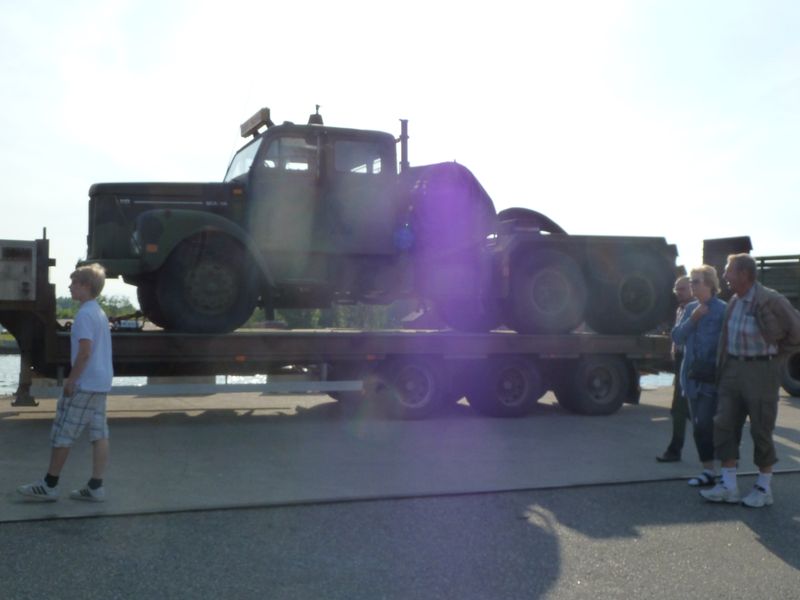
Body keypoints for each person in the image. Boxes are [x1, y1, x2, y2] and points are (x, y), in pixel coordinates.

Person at [701, 253, 800, 507]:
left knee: (761, 429)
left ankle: (763, 488)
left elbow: (796, 332)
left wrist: (776, 359)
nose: (725, 275)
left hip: (761, 371)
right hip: (733, 369)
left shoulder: (771, 300)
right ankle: (729, 486)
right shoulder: (734, 301)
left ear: (744, 274)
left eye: (728, 270)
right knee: (724, 425)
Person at [17, 264, 114, 502]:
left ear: (86, 286)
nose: (69, 287)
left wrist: (71, 380)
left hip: (86, 384)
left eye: (74, 283)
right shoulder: (98, 312)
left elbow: (84, 352)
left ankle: (49, 485)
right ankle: (96, 486)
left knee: (64, 431)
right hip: (100, 383)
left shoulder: (84, 315)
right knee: (99, 433)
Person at [671, 266, 726, 486]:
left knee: (706, 424)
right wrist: (693, 319)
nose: (691, 285)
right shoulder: (690, 309)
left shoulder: (723, 310)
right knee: (697, 426)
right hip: (691, 378)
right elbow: (677, 337)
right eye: (691, 281)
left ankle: (725, 471)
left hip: (711, 379)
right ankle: (708, 470)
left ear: (709, 284)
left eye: (696, 281)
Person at [657, 275, 693, 462]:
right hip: (681, 360)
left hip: (691, 361)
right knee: (682, 408)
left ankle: (675, 449)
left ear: (692, 288)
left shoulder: (696, 309)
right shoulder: (680, 309)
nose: (679, 293)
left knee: (681, 408)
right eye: (677, 289)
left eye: (683, 289)